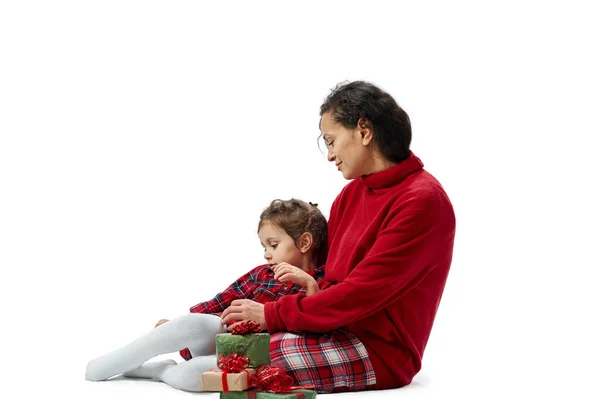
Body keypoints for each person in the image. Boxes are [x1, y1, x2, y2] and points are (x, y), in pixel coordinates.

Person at [220, 80, 456, 393]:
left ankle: (168, 368)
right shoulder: (349, 195)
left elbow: (360, 294)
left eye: (331, 141)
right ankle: (161, 358)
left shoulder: (422, 201)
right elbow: (325, 277)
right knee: (235, 343)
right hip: (330, 326)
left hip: (377, 351)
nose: (330, 155)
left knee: (249, 356)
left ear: (364, 131)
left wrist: (272, 314)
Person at [85, 198, 328, 391]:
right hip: (220, 337)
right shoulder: (262, 274)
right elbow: (220, 300)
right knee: (200, 323)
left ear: (305, 243)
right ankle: (121, 357)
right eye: (264, 247)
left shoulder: (320, 282)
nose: (266, 254)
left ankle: (158, 371)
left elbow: (314, 323)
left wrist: (309, 286)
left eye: (273, 245)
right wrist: (179, 324)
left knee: (203, 372)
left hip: (247, 357)